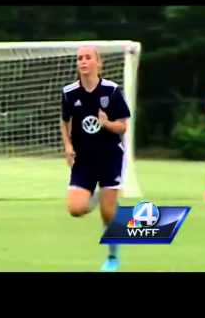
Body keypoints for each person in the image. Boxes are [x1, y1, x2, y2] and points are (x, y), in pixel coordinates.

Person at [60, 46, 131, 272]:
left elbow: (123, 126)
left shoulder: (111, 91)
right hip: (84, 160)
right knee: (75, 208)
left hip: (110, 156)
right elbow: (65, 120)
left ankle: (112, 258)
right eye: (80, 58)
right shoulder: (69, 92)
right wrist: (68, 145)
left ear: (98, 63)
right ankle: (104, 197)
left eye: (88, 57)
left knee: (109, 214)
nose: (83, 61)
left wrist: (107, 124)